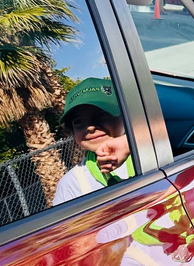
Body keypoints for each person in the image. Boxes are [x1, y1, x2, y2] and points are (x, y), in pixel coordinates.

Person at [52, 77, 134, 206]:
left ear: (125, 114)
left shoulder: (151, 146)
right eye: (78, 122)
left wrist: (130, 142)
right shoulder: (72, 183)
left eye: (102, 115)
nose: (90, 127)